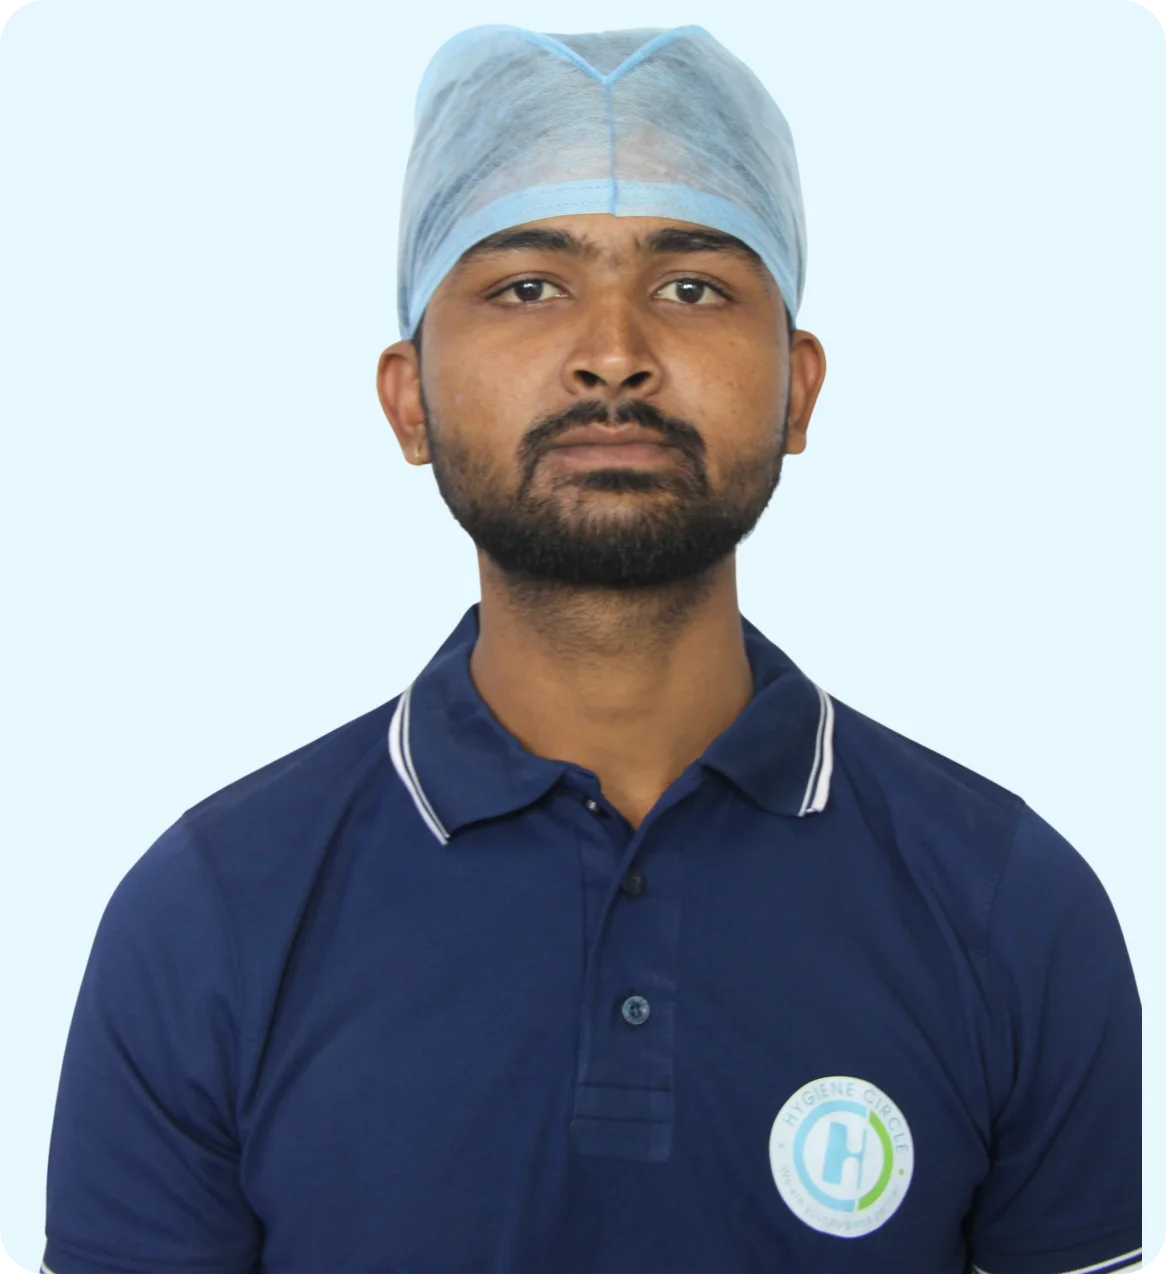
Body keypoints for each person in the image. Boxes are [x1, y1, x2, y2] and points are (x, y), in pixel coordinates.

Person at [41, 24, 1141, 1274]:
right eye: (526, 285)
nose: (612, 351)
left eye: (691, 286)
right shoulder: (211, 919)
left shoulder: (1007, 908)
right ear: (408, 397)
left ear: (796, 387)